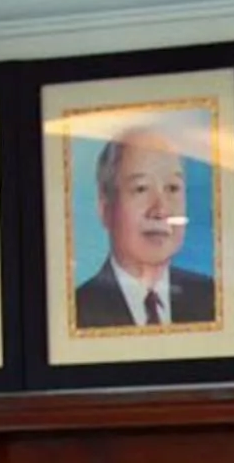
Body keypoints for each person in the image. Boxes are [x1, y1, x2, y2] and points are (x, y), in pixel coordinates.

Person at [74, 125, 216, 329]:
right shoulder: (76, 313)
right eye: (141, 189)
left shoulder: (213, 298)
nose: (160, 210)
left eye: (172, 188)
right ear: (105, 209)